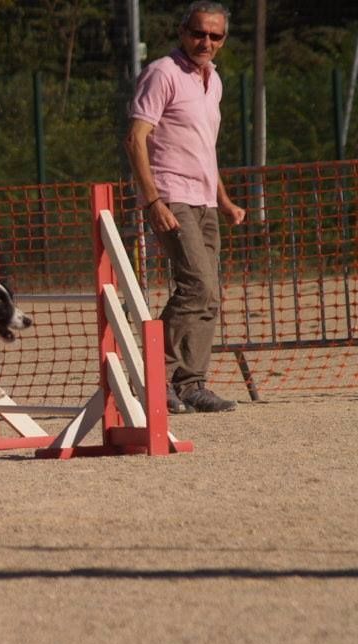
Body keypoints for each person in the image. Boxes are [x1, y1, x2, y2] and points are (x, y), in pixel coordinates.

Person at [125, 0, 246, 414]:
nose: (205, 41)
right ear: (182, 32)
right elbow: (136, 138)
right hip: (171, 194)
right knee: (197, 285)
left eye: (214, 35)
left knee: (209, 296)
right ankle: (151, 378)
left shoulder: (214, 82)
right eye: (198, 33)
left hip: (205, 200)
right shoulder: (163, 72)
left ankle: (191, 383)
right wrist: (153, 199)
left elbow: (203, 150)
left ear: (223, 40)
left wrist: (225, 201)